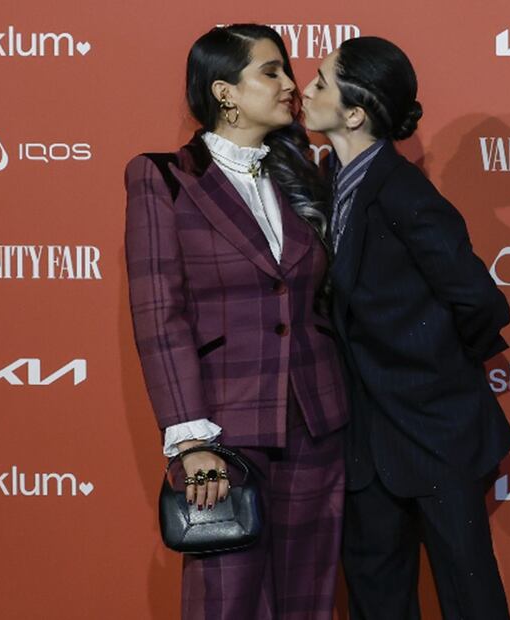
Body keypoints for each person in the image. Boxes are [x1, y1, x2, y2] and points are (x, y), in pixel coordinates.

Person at [124, 24, 348, 620]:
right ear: (224, 91)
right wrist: (191, 439)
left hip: (315, 424)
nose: (290, 85)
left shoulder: (305, 176)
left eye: (287, 70)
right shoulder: (164, 178)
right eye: (270, 71)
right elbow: (158, 314)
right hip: (223, 429)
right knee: (226, 603)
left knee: (309, 599)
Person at [301, 36, 510, 619]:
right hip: (365, 445)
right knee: (376, 601)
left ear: (353, 112)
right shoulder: (324, 185)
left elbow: (481, 304)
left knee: (470, 599)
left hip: (435, 434)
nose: (305, 89)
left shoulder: (405, 193)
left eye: (320, 82)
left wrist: (432, 375)